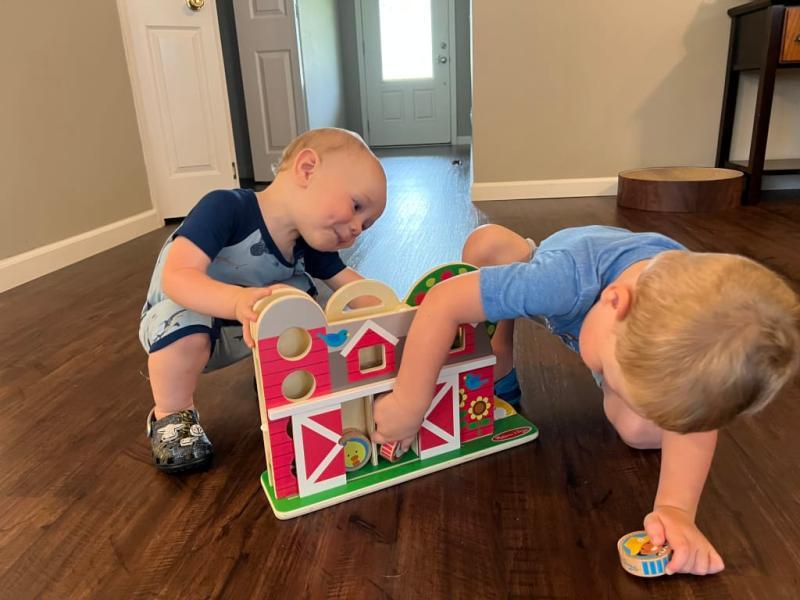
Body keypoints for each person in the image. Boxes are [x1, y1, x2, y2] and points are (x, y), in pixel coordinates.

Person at [373, 224, 800, 576]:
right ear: (615, 304)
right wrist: (409, 404)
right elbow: (444, 301)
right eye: (610, 376)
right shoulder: (560, 284)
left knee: (636, 429)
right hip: (559, 256)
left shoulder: (695, 335)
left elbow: (696, 418)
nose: (603, 383)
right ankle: (508, 285)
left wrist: (676, 510)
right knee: (486, 250)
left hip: (633, 277)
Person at [140, 128, 387, 473]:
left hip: (248, 327)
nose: (358, 227)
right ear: (306, 169)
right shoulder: (226, 208)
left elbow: (354, 291)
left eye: (367, 224)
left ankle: (280, 376)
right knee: (185, 326)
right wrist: (236, 300)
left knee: (304, 300)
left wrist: (397, 311)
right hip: (184, 318)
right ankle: (172, 415)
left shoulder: (309, 244)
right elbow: (177, 276)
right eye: (357, 206)